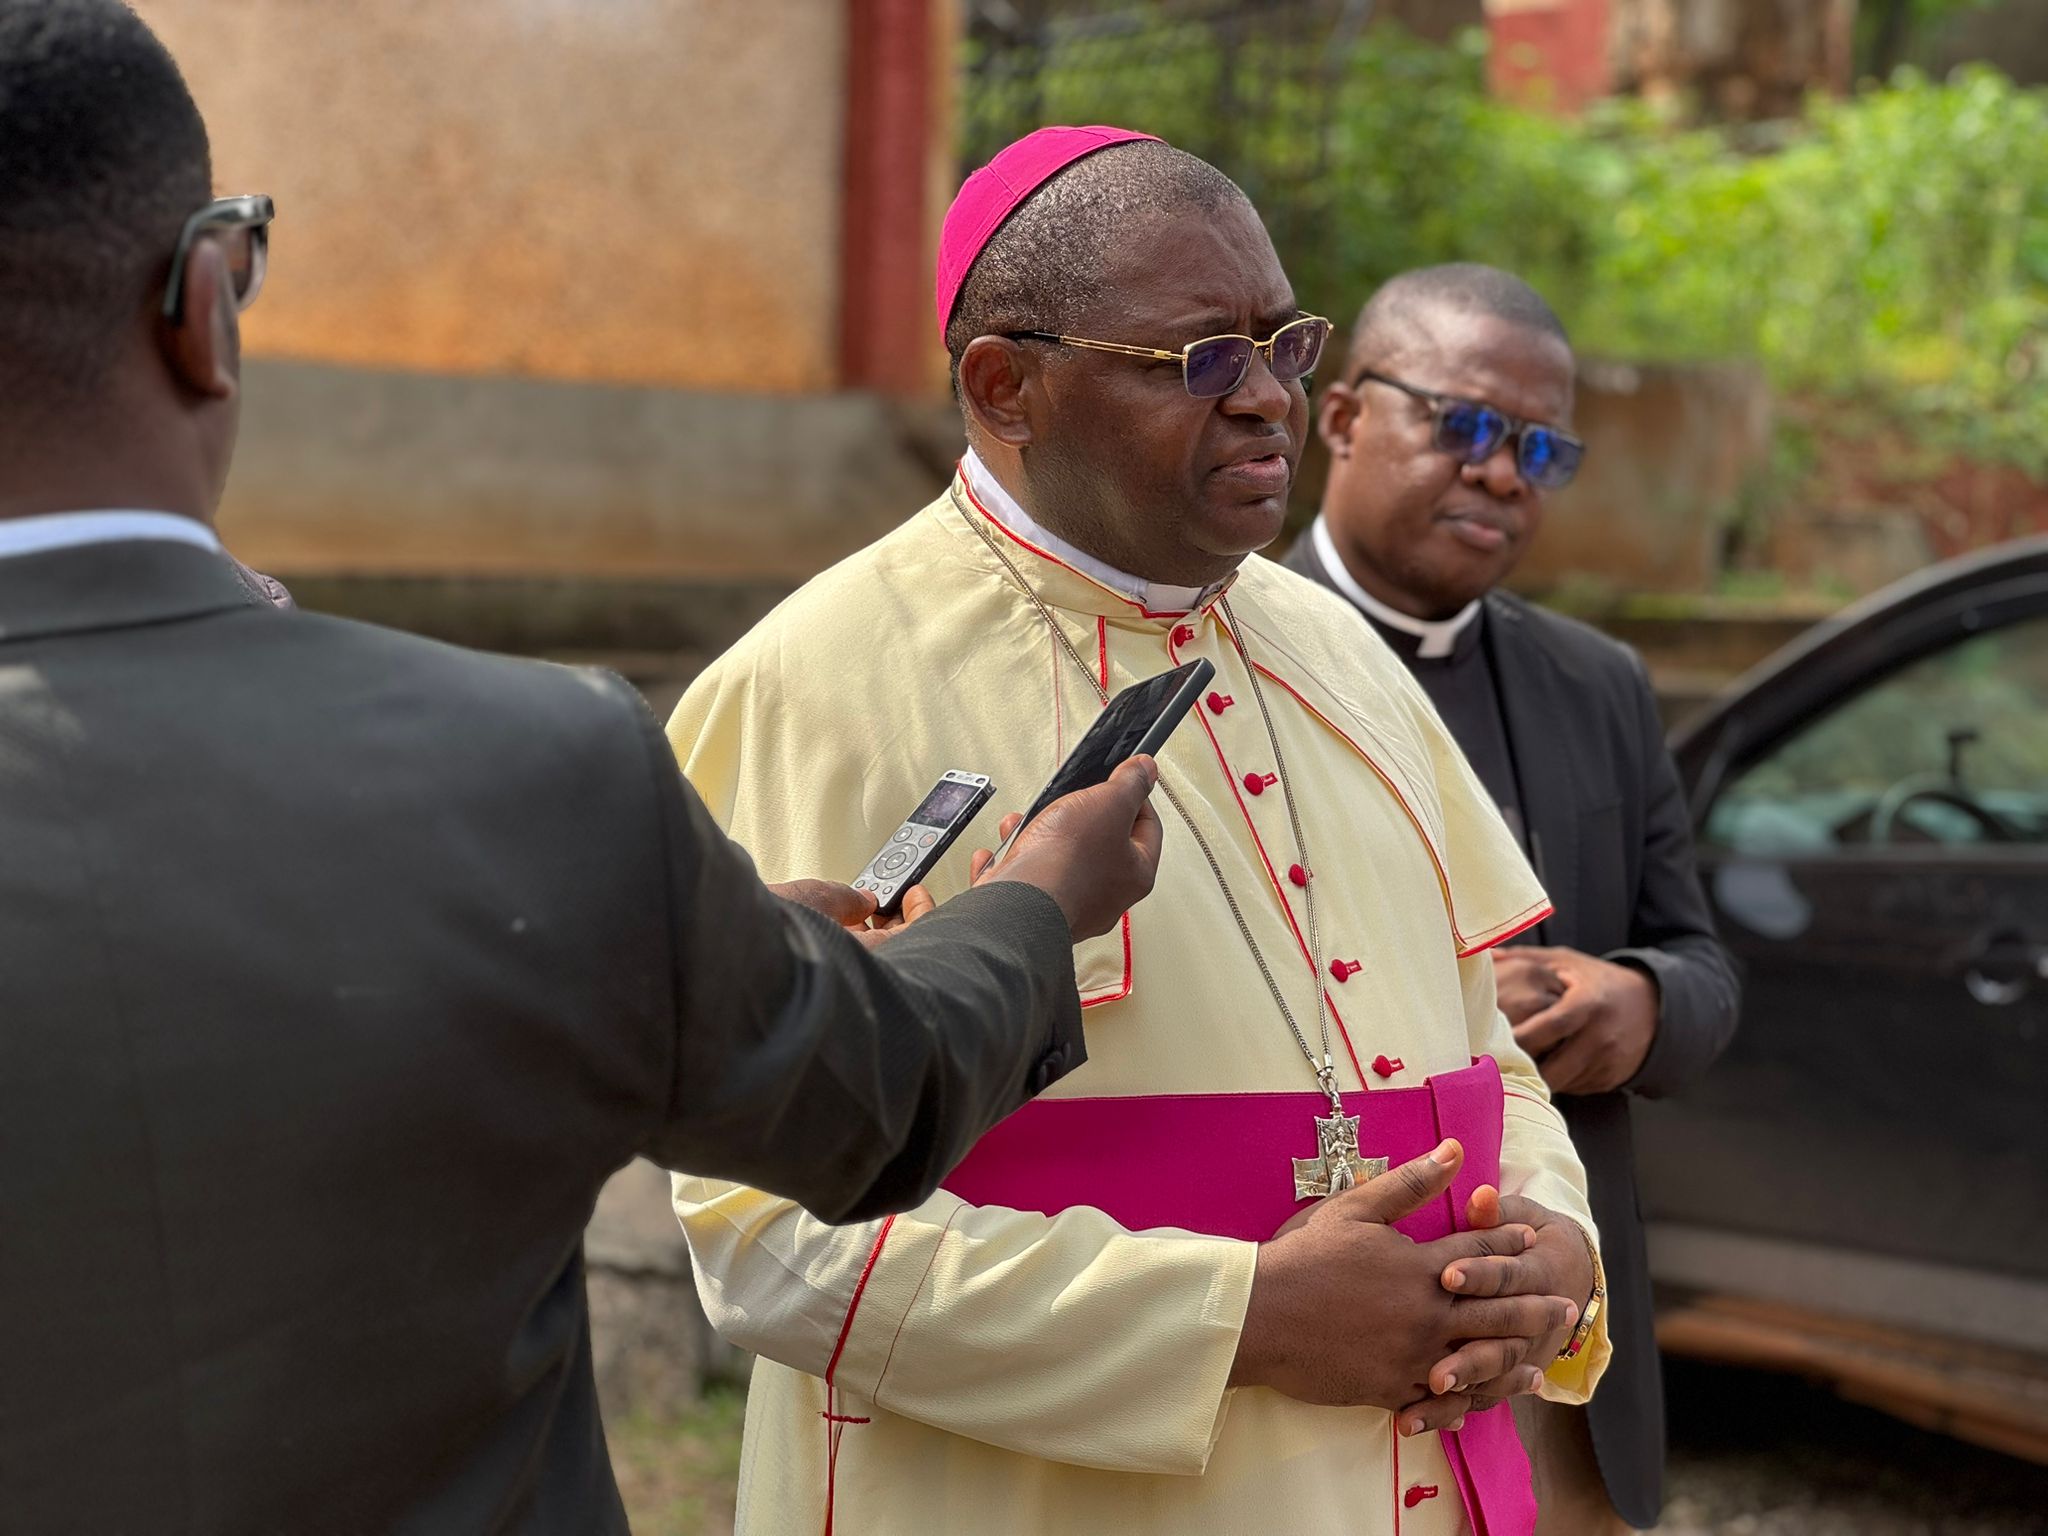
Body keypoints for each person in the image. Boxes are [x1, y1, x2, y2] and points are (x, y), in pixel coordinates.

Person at [0, 8, 1166, 1531]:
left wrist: (681, 954)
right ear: (207, 302)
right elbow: (875, 1096)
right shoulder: (530, 774)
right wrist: (1034, 900)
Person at [665, 128, 1610, 1535]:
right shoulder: (812, 685)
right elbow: (764, 1236)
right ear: (1008, 387)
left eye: (1284, 346)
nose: (1269, 400)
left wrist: (1553, 1242)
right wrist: (1237, 1319)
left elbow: (1485, 1045)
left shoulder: (1340, 653)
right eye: (1202, 360)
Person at [1285, 262, 1741, 1532]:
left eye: (1539, 450)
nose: (1500, 474)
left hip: (1557, 1334)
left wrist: (1640, 1001)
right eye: (1465, 425)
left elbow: (1701, 962)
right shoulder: (1219, 651)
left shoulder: (1595, 684)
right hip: (1323, 1325)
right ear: (1341, 419)